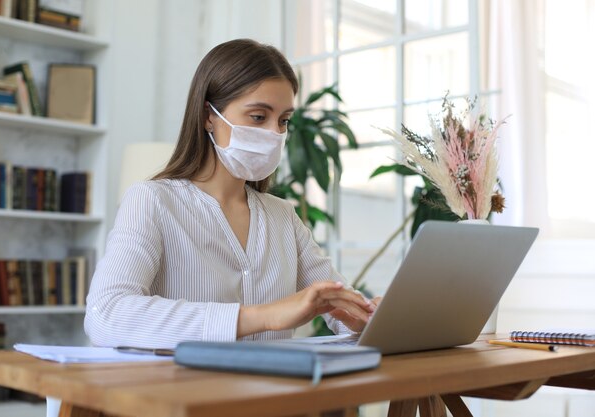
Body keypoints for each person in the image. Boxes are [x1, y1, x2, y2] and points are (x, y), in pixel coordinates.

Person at [84, 39, 376, 348]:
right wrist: (264, 316)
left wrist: (367, 316)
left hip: (275, 394)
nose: (275, 133)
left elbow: (340, 309)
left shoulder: (282, 217)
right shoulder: (153, 201)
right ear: (209, 115)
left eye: (284, 120)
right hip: (190, 394)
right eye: (258, 117)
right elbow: (106, 314)